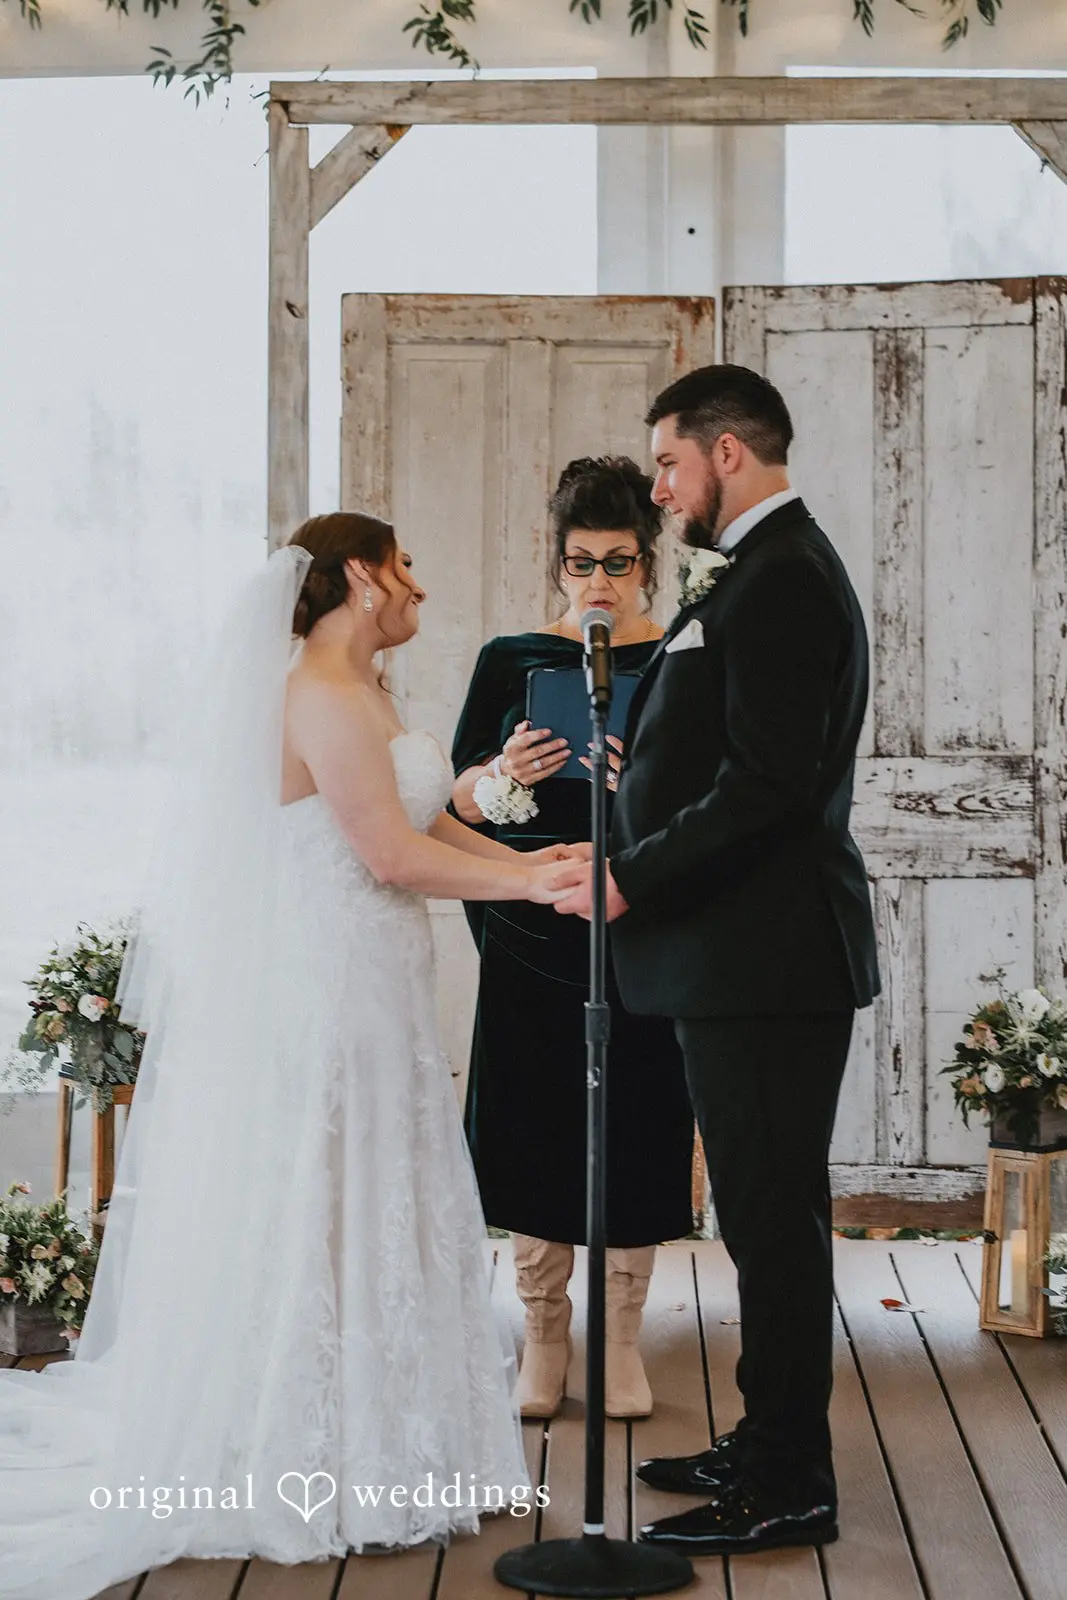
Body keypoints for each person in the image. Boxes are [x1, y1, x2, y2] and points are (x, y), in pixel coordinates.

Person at [0, 512, 587, 1600]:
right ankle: (316, 1452)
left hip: (377, 987)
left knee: (378, 1193)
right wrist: (538, 884)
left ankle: (396, 1440)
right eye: (404, 564)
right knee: (326, 1198)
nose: (418, 583)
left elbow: (421, 815)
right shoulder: (317, 692)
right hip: (326, 994)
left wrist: (527, 849)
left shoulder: (361, 688)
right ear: (363, 576)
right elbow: (387, 853)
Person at [555, 368, 881, 1556]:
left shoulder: (785, 576)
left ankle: (790, 1476)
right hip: (739, 960)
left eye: (669, 463)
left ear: (726, 451)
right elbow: (723, 751)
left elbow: (768, 782)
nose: (659, 487)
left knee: (771, 1224)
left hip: (767, 961)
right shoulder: (759, 568)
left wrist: (630, 872)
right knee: (758, 1219)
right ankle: (763, 1439)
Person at [450, 457, 694, 1423]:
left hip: (641, 926)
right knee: (534, 1126)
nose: (598, 581)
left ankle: (622, 1341)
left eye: (618, 563)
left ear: (648, 564)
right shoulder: (510, 658)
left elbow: (718, 800)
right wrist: (501, 767)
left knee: (636, 1121)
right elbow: (452, 803)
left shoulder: (682, 652)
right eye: (580, 562)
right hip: (529, 929)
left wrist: (649, 779)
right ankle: (543, 1337)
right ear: (558, 566)